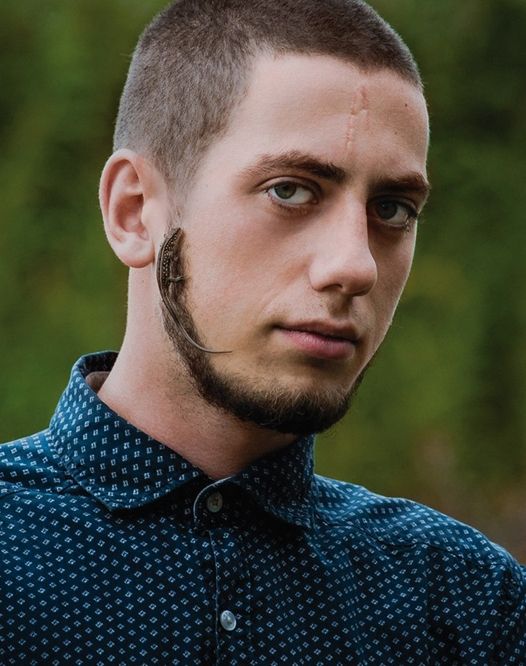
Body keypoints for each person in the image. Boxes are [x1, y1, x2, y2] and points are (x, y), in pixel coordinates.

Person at [0, 0, 524, 663]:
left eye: (392, 209)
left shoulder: (467, 603)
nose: (355, 266)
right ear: (134, 212)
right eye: (290, 191)